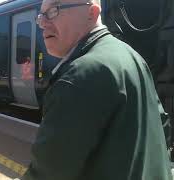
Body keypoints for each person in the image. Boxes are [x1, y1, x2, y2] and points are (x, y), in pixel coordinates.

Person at [21, 0, 172, 179]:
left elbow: (47, 173)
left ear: (91, 13)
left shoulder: (81, 75)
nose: (43, 23)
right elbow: (163, 127)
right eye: (41, 15)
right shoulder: (132, 56)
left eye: (53, 11)